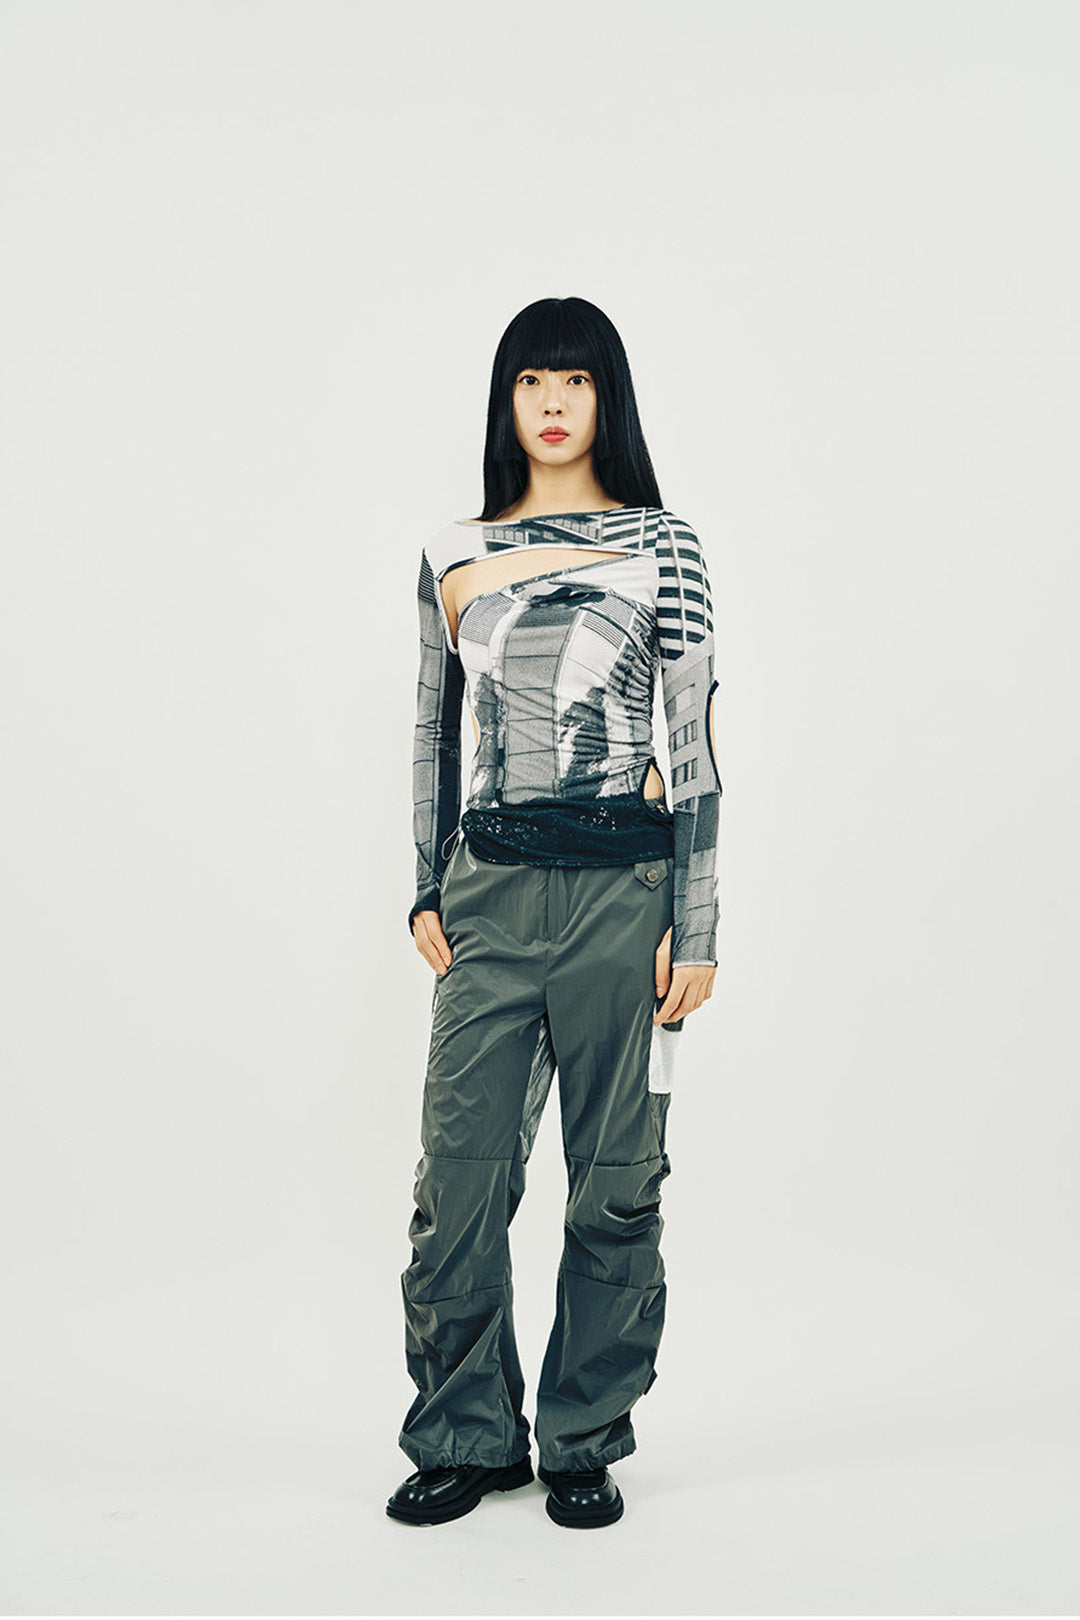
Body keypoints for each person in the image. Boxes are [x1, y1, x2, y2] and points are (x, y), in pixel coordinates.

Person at [387, 296, 722, 1530]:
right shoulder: (452, 552)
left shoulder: (665, 546)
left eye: (576, 380)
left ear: (606, 398)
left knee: (616, 1181)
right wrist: (424, 881)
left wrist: (699, 918)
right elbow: (432, 730)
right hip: (490, 892)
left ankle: (584, 1437)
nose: (553, 402)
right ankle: (466, 1436)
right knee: (458, 1181)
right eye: (532, 378)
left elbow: (693, 742)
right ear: (506, 398)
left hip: (624, 900)